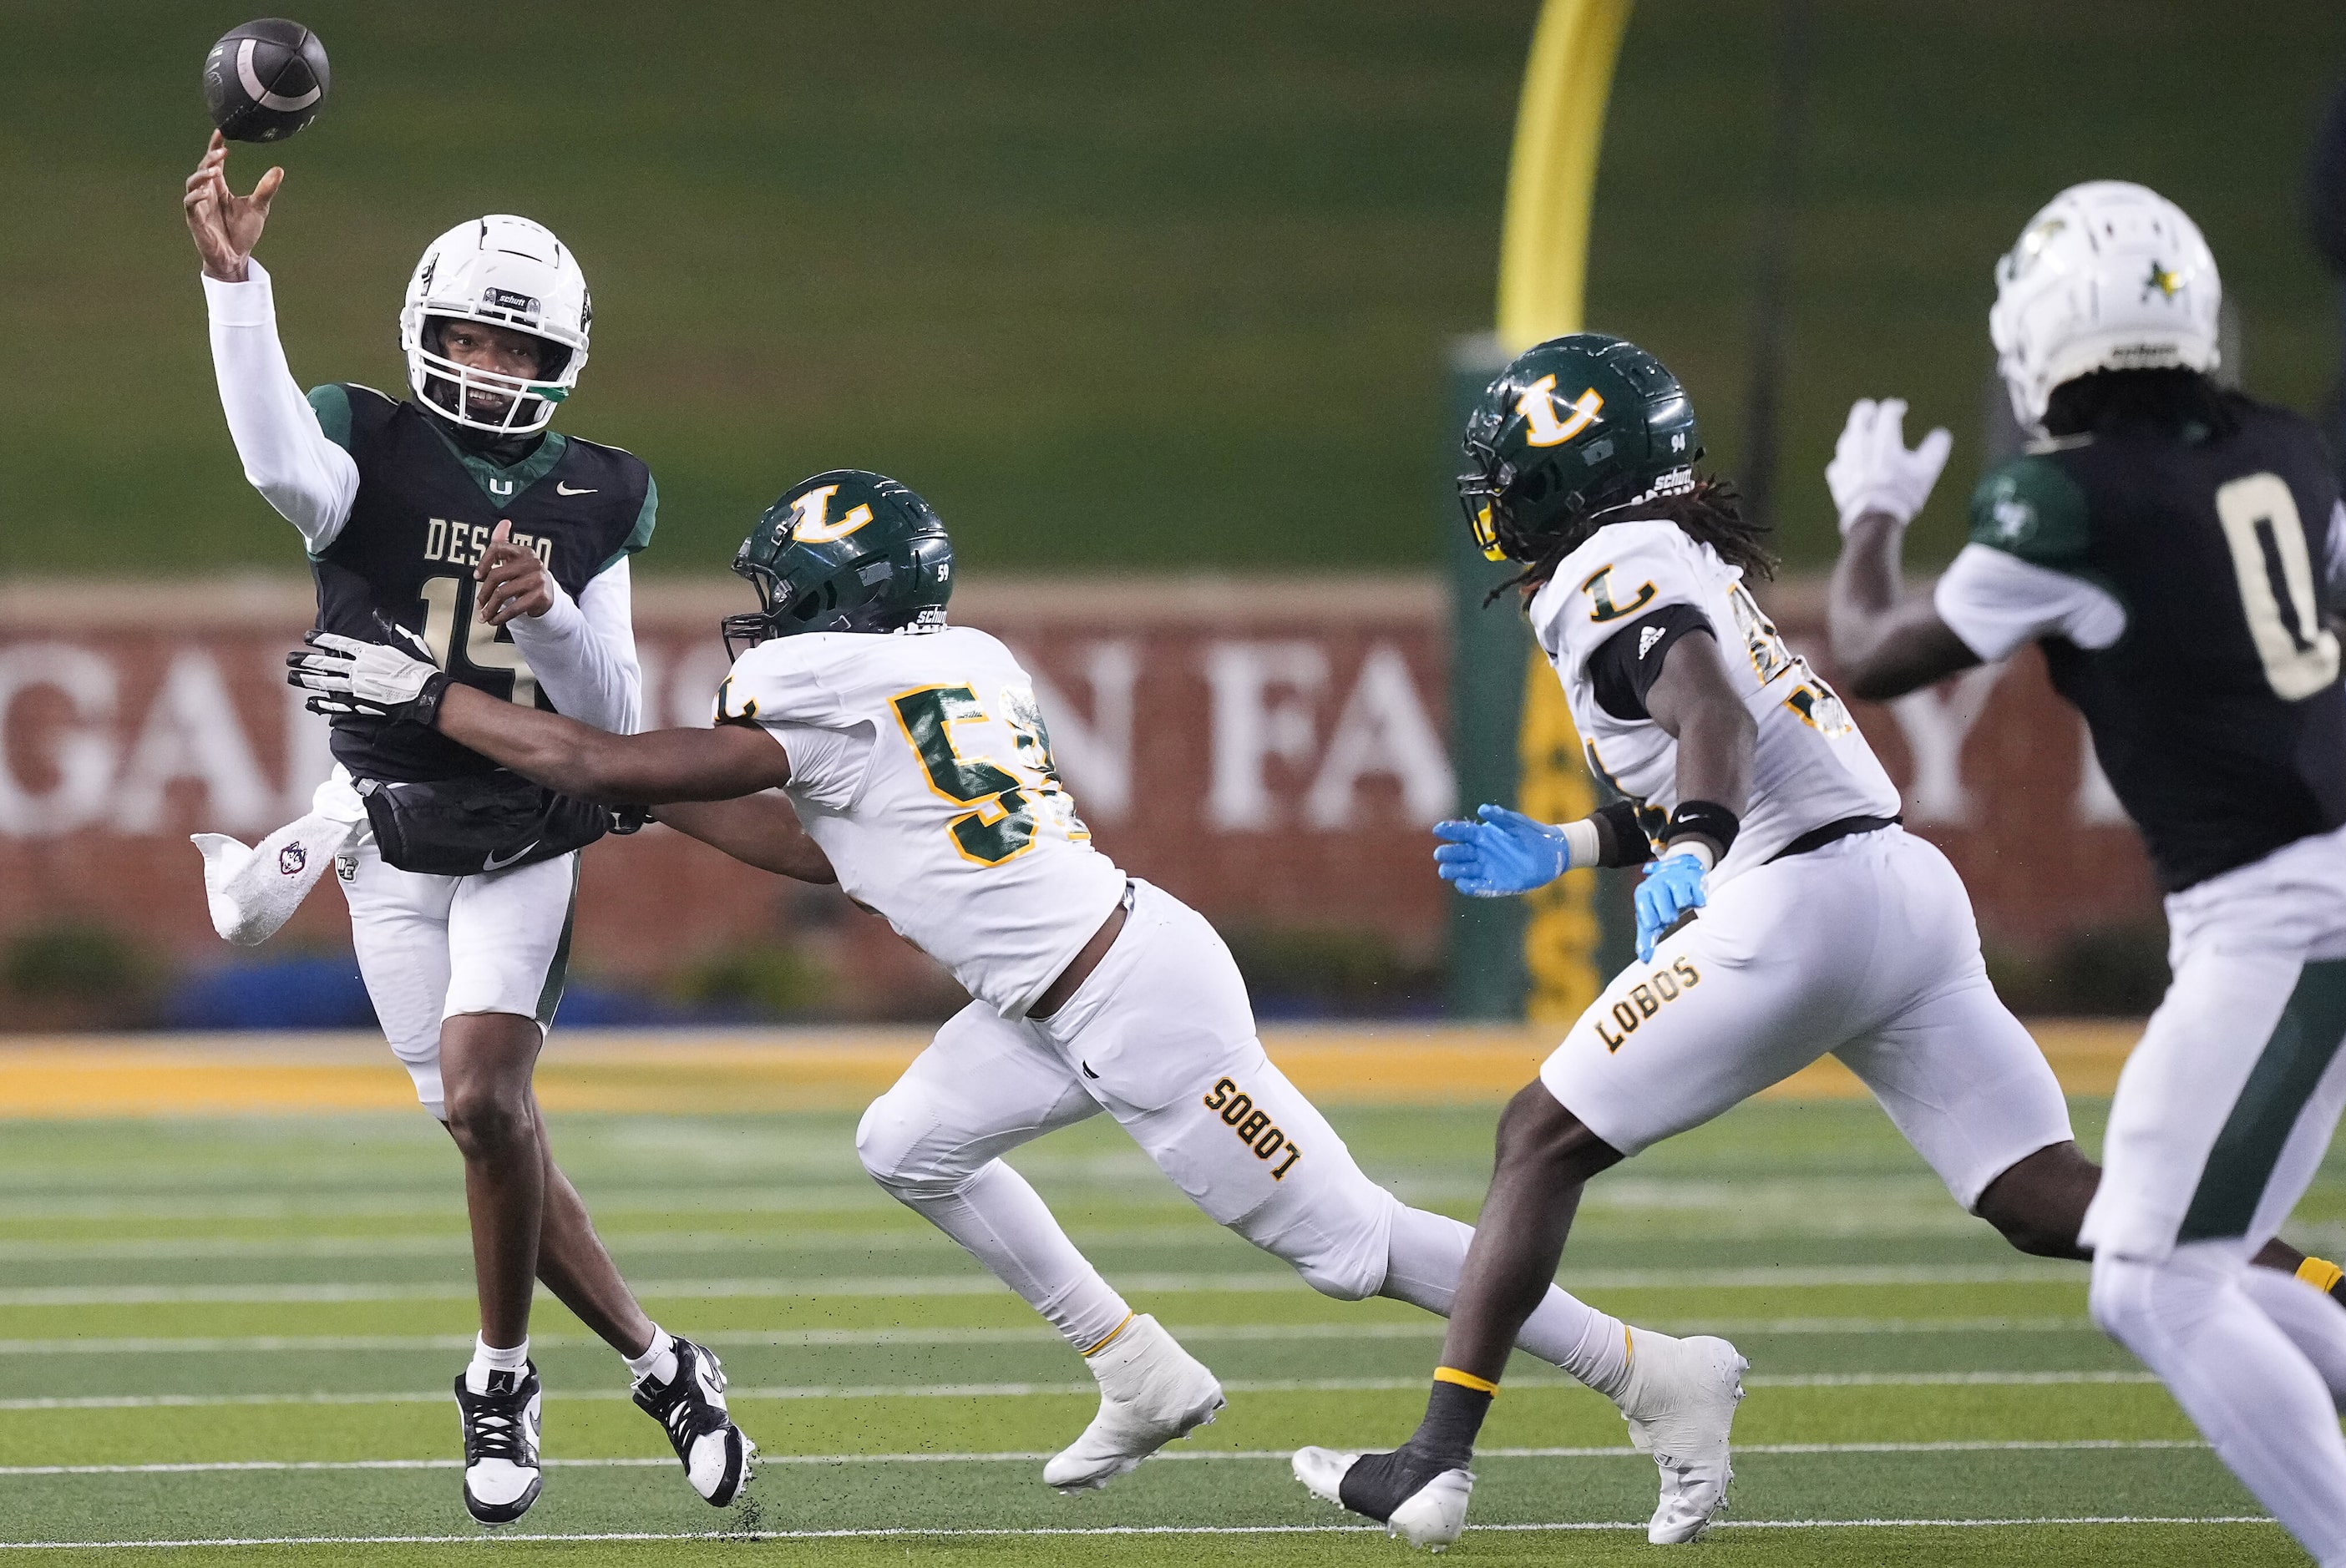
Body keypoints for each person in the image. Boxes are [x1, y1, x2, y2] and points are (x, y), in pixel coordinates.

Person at [284, 468, 1752, 1543]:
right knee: (907, 1140)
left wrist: (433, 702)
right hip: (1055, 988)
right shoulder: (968, 660)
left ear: (821, 611)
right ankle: (1134, 1360)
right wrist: (632, 804)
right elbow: (827, 841)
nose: (761, 623)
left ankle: (1652, 1372)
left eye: (779, 598)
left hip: (1136, 1007)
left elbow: (616, 766)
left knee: (1354, 1244)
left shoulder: (821, 685)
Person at [1287, 329, 2346, 1549]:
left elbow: (1709, 714)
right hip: (1897, 886)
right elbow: (1727, 746)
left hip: (1792, 908)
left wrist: (1690, 850)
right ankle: (2331, 1291)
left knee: (1537, 1135)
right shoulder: (1668, 549)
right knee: (2034, 1189)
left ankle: (1435, 1460)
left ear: (1564, 473)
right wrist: (1579, 849)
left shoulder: (1600, 571)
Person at [182, 133, 749, 1525]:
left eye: (514, 349)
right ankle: (666, 1364)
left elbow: (614, 711)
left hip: (530, 830)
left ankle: (498, 1379)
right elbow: (277, 471)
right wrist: (236, 292)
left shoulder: (600, 490)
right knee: (487, 1134)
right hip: (385, 836)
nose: (489, 369)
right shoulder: (361, 442)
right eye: (466, 341)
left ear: (557, 361)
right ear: (421, 335)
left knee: (492, 1099)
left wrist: (548, 606)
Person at [1827, 180, 2346, 1567]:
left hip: (2287, 909)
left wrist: (1872, 512)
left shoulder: (2064, 499)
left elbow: (1876, 650)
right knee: (2163, 1247)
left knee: (2152, 1281)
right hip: (2309, 887)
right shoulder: (2286, 450)